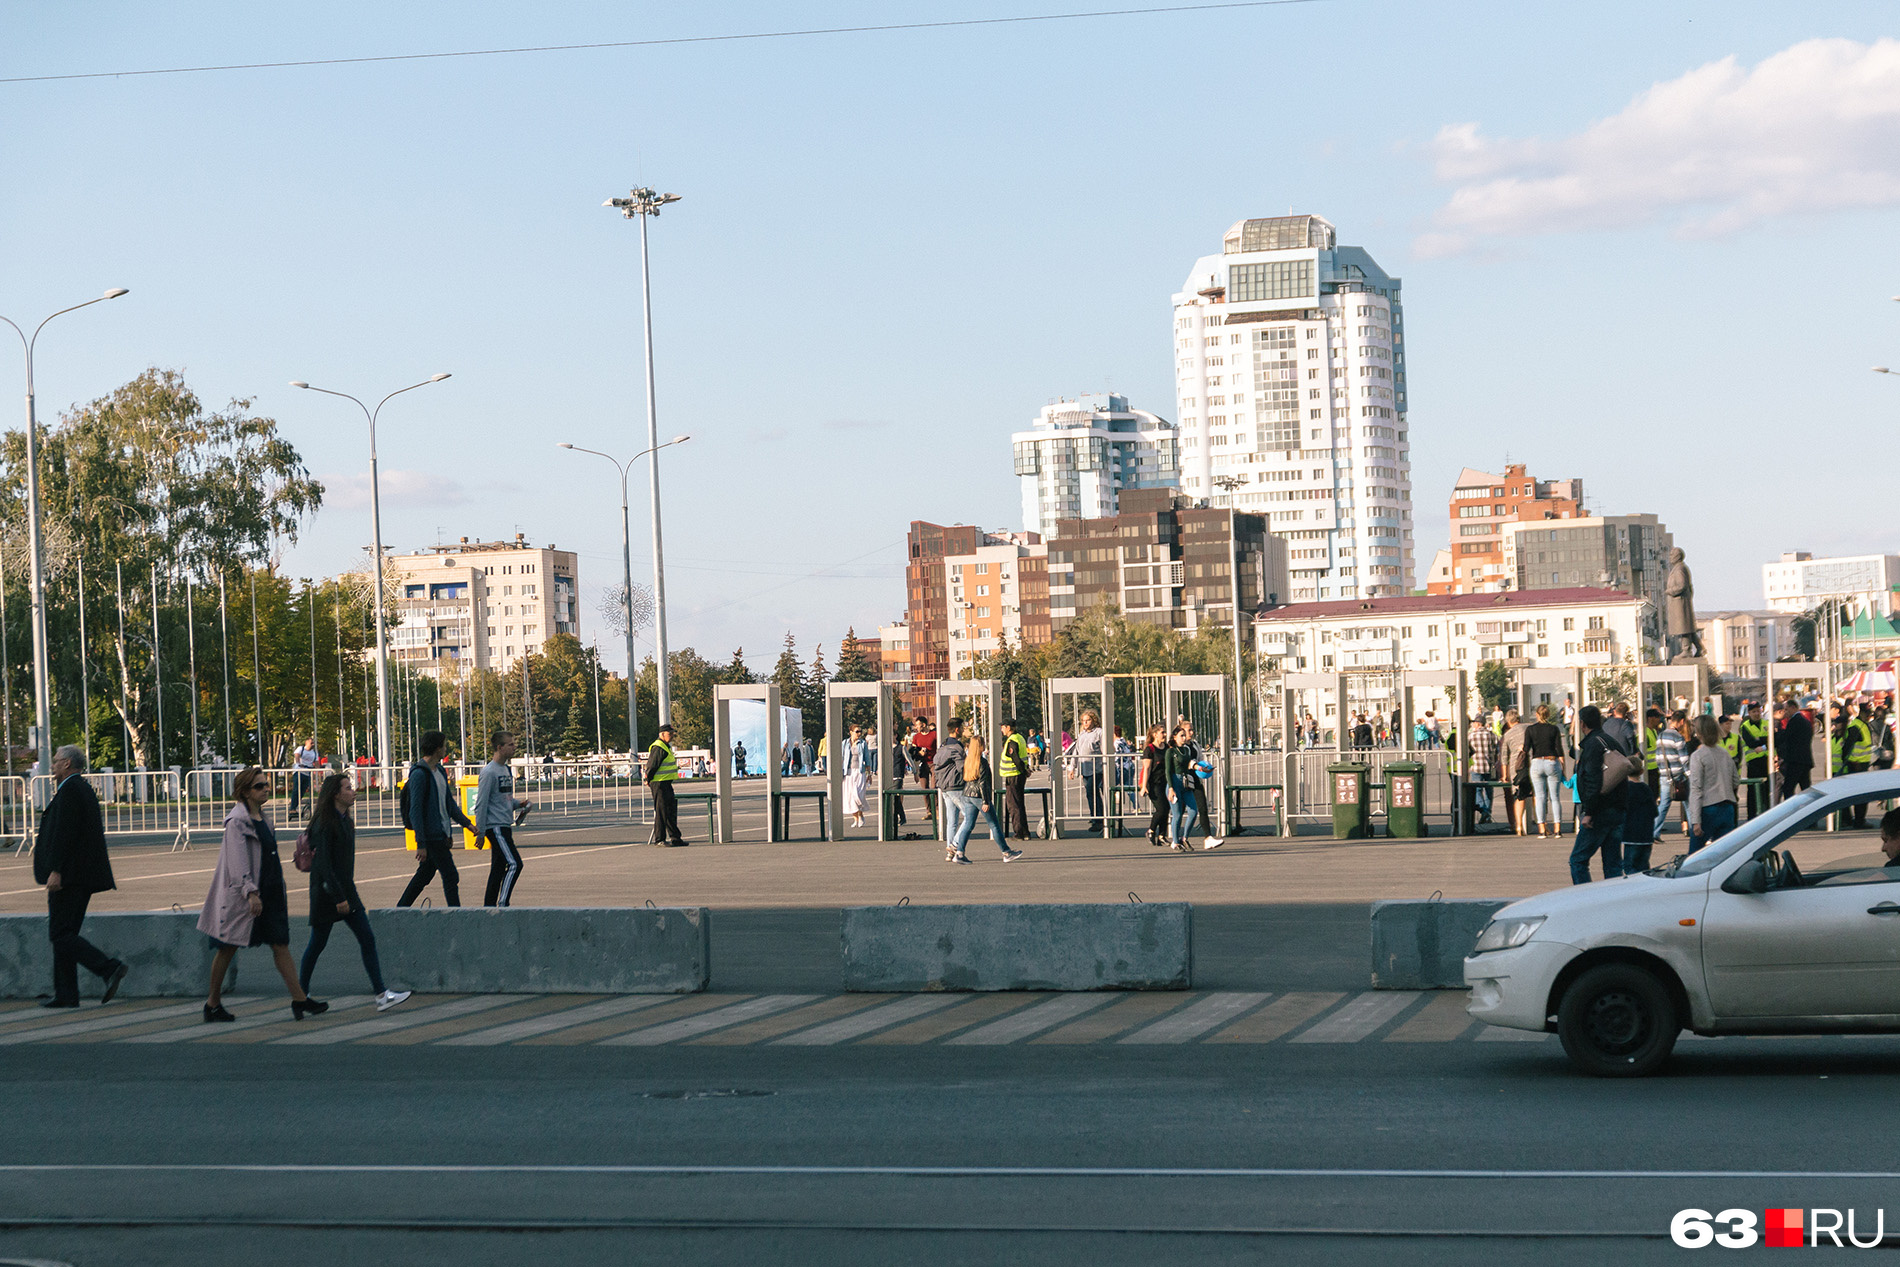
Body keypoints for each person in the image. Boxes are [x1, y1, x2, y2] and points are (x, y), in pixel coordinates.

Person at [198, 767, 326, 1022]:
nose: (266, 788)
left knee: (280, 943)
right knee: (228, 947)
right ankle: (212, 1004)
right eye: (259, 786)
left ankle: (300, 1000)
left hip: (271, 890)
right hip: (246, 896)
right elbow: (237, 863)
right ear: (244, 792)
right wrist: (250, 893)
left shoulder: (265, 820)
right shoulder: (237, 823)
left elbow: (265, 855)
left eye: (266, 784)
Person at [299, 772, 410, 1011]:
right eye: (348, 788)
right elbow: (324, 866)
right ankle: (300, 997)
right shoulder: (323, 824)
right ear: (335, 794)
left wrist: (345, 894)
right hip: (329, 893)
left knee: (366, 938)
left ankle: (381, 995)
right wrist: (339, 898)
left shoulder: (344, 820)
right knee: (317, 944)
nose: (353, 791)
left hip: (345, 891)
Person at [33, 744, 127, 1009]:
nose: (51, 767)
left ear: (66, 764)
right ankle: (66, 994)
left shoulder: (72, 790)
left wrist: (56, 870)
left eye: (54, 762)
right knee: (66, 933)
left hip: (70, 877)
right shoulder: (79, 788)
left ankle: (109, 968)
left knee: (60, 934)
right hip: (78, 876)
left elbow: (65, 834)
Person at [398, 731, 481, 905]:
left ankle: (401, 908)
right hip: (431, 836)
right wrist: (420, 843)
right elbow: (415, 811)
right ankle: (456, 912)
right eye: (443, 746)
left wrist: (468, 824)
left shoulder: (440, 772)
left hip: (441, 833)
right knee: (450, 875)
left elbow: (449, 805)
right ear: (437, 749)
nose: (445, 749)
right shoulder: (420, 774)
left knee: (425, 875)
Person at [1570, 706, 1626, 884]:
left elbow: (1593, 781)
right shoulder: (1610, 742)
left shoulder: (1593, 745)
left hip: (1600, 812)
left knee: (1578, 860)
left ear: (1582, 723)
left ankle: (1586, 899)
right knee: (1613, 863)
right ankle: (1615, 900)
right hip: (1617, 809)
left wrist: (1589, 812)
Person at [475, 730, 531, 906]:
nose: (514, 747)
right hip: (496, 827)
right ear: (499, 747)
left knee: (498, 869)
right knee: (515, 864)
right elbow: (482, 803)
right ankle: (503, 903)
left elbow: (503, 799)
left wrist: (519, 804)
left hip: (505, 824)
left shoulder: (505, 770)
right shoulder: (489, 772)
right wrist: (481, 831)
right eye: (510, 744)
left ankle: (488, 906)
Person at [964, 735, 1023, 862]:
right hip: (980, 797)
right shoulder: (982, 762)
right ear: (980, 746)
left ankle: (959, 852)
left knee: (968, 824)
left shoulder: (968, 761)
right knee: (994, 825)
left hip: (968, 795)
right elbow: (983, 783)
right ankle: (1006, 852)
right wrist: (986, 801)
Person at [1685, 714, 1737, 853]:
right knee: (1723, 854)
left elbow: (1696, 788)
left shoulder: (1698, 756)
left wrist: (1695, 820)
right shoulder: (1725, 753)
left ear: (1699, 732)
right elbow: (1735, 780)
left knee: (1695, 855)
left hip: (1708, 808)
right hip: (1728, 807)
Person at [934, 716, 974, 863]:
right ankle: (955, 844)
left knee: (952, 820)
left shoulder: (942, 746)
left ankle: (949, 853)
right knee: (969, 815)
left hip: (944, 787)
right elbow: (962, 768)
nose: (963, 730)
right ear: (957, 730)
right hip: (956, 786)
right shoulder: (957, 748)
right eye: (962, 728)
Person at [1523, 704, 1567, 838]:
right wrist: (1562, 768)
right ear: (1548, 715)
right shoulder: (1554, 729)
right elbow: (1559, 749)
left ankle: (1542, 829)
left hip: (1536, 763)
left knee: (1540, 797)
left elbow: (1526, 748)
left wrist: (1521, 748)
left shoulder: (1530, 729)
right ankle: (1557, 829)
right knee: (1555, 797)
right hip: (1551, 761)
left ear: (1537, 714)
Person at [643, 722, 687, 847]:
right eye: (670, 733)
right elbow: (652, 765)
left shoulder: (665, 746)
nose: (672, 735)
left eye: (673, 733)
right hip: (659, 783)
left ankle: (675, 838)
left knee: (670, 810)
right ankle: (659, 839)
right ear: (662, 734)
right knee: (661, 811)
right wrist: (648, 779)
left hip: (666, 783)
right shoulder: (659, 747)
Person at [1651, 710, 1690, 850]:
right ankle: (1694, 829)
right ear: (1681, 721)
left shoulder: (1660, 735)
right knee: (1688, 803)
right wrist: (1689, 774)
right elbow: (1684, 759)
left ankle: (1654, 832)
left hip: (1664, 775)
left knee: (1663, 805)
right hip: (1678, 776)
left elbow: (1658, 756)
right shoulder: (1678, 737)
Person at [1164, 723, 1199, 851]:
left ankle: (1185, 838)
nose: (1184, 738)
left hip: (1185, 782)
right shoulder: (1170, 751)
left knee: (1193, 811)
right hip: (1174, 782)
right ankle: (1175, 841)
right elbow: (1168, 771)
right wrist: (1171, 788)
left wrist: (1200, 768)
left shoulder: (1186, 750)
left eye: (1185, 735)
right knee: (1177, 814)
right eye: (1181, 735)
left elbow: (1190, 763)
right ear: (1174, 737)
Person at [1070, 710, 1105, 833]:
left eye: (1088, 720)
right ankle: (1095, 815)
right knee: (1090, 793)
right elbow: (1077, 751)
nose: (1085, 723)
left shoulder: (1099, 733)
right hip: (1085, 769)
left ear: (1093, 720)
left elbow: (1104, 749)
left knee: (1093, 792)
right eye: (1083, 721)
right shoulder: (1082, 734)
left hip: (1096, 768)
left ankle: (1099, 819)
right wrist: (1072, 767)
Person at [1000, 718, 1032, 842]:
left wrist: (1023, 770)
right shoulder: (1020, 737)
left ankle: (1018, 832)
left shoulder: (1012, 741)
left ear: (1008, 727)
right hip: (1019, 775)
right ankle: (1025, 832)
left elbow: (1016, 758)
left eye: (1003, 727)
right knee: (1019, 803)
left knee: (1013, 805)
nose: (1002, 729)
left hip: (1013, 775)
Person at [1843, 703, 1875, 827]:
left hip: (1863, 764)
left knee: (1860, 795)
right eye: (1867, 713)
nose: (1868, 716)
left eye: (1869, 714)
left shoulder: (1863, 725)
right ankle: (1858, 821)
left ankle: (1857, 820)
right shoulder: (1856, 727)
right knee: (1860, 796)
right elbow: (1848, 747)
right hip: (1856, 765)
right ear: (1861, 713)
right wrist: (1853, 761)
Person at [1498, 708, 1529, 835]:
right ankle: (1541, 825)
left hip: (1516, 768)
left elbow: (1504, 758)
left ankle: (1518, 825)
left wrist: (1505, 776)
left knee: (1519, 796)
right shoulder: (1528, 728)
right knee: (1536, 796)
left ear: (1508, 722)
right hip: (1532, 763)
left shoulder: (1507, 735)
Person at [1775, 700, 1815, 800]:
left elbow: (1785, 737)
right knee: (1806, 789)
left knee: (1788, 788)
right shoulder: (1804, 721)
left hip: (1796, 761)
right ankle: (1809, 809)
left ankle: (1793, 811)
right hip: (1804, 760)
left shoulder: (1795, 721)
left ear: (1793, 707)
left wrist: (1768, 743)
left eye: (1786, 709)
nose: (1785, 712)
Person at [1139, 723, 1170, 847]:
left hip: (1165, 783)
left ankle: (1162, 835)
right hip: (1154, 783)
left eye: (1164, 732)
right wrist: (1144, 786)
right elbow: (1146, 768)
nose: (1164, 735)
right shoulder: (1150, 749)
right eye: (1162, 732)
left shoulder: (1167, 747)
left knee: (1166, 809)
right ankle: (1151, 830)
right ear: (1155, 734)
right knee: (1161, 809)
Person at [1737, 701, 1769, 818]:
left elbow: (1773, 739)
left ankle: (1767, 816)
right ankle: (1751, 817)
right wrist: (1765, 740)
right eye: (1753, 711)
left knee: (1767, 790)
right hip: (1753, 762)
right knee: (1753, 791)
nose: (1756, 713)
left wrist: (1760, 740)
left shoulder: (1767, 723)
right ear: (1749, 713)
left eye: (1758, 711)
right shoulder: (1745, 726)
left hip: (1767, 761)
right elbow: (1751, 743)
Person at [1468, 714, 1499, 825]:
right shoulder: (1492, 735)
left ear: (1477, 723)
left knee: (1477, 790)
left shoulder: (1471, 736)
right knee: (1489, 791)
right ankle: (1488, 814)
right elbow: (1496, 750)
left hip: (1476, 766)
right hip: (1489, 766)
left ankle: (1484, 811)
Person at [840, 724, 871, 828]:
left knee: (858, 795)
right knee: (850, 796)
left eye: (860, 732)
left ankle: (861, 815)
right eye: (857, 731)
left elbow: (867, 758)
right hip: (848, 772)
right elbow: (841, 757)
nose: (859, 734)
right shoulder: (844, 743)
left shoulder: (862, 743)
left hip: (859, 771)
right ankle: (856, 819)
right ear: (851, 732)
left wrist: (869, 773)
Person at [290, 736, 321, 814]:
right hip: (299, 771)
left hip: (307, 773)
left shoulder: (314, 752)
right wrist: (299, 763)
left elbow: (317, 762)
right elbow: (297, 755)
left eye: (313, 742)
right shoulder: (301, 749)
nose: (313, 744)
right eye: (311, 742)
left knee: (302, 791)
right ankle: (292, 808)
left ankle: (294, 807)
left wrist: (318, 769)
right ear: (306, 743)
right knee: (296, 790)